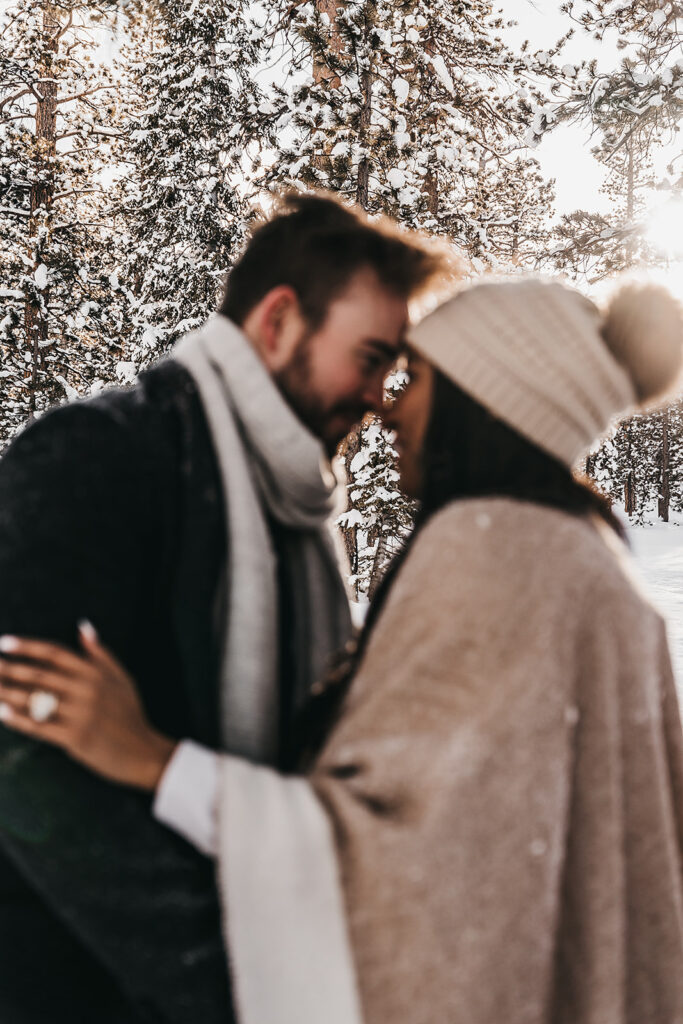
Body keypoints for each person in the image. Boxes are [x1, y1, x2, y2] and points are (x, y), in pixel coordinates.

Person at [2, 276, 683, 1024]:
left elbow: (388, 865)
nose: (387, 407)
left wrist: (150, 759)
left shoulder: (487, 554)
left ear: (481, 398)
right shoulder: (594, 570)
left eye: (415, 377)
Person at [0, 191, 444, 1024]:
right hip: (95, 989)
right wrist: (231, 977)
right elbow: (22, 762)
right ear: (278, 322)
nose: (382, 395)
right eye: (371, 356)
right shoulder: (99, 455)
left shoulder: (297, 505)